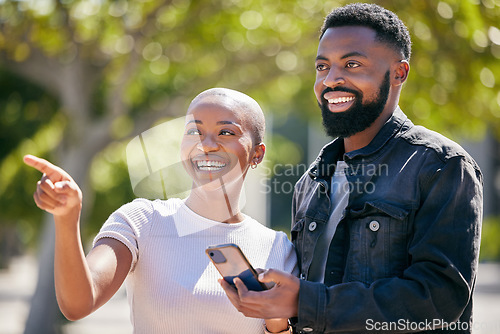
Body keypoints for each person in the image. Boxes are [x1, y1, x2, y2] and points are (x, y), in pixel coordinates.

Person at [220, 3, 483, 333]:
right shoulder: (308, 183)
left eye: (352, 64)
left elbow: (439, 299)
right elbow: (309, 295)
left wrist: (305, 301)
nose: (331, 80)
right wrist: (276, 305)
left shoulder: (441, 165)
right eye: (322, 66)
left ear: (399, 73)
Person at [24, 88, 297, 334]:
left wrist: (277, 323)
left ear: (257, 154)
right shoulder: (142, 221)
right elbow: (78, 304)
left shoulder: (278, 249)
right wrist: (67, 219)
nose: (207, 144)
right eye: (194, 131)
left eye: (226, 132)